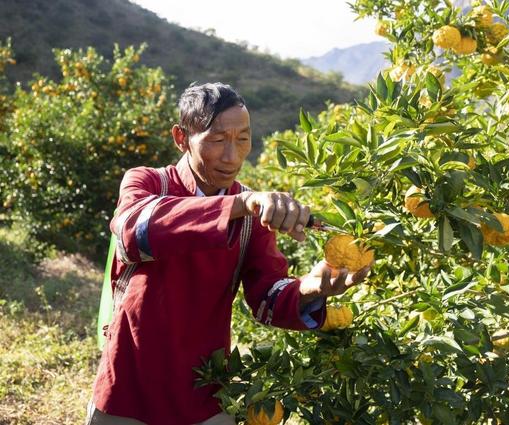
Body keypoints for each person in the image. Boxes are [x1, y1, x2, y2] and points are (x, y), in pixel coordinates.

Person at [86, 82, 370, 425]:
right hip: (131, 379)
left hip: (203, 386)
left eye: (243, 139)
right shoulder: (148, 183)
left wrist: (311, 288)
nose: (232, 156)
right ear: (181, 137)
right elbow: (133, 232)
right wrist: (239, 204)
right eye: (218, 140)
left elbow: (266, 297)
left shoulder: (251, 215)